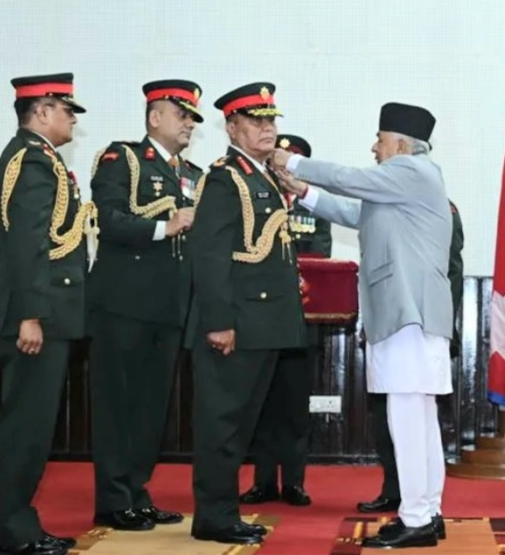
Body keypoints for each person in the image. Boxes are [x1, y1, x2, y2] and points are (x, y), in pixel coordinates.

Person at [272, 102, 452, 549]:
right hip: (411, 314)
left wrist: (291, 161)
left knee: (406, 416)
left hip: (408, 313)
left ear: (402, 145)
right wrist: (303, 191)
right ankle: (427, 511)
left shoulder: (413, 171)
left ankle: (416, 517)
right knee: (418, 417)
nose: (374, 148)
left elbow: (349, 179)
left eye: (380, 139)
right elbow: (355, 213)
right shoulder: (403, 186)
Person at [188, 82, 307, 546]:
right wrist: (219, 322)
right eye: (256, 121)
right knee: (222, 425)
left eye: (270, 120)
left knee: (240, 426)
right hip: (237, 323)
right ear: (232, 127)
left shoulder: (262, 176)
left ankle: (222, 513)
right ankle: (215, 517)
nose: (267, 128)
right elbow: (211, 256)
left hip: (264, 324)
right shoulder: (225, 178)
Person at [87, 80, 204, 531]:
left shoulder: (192, 173)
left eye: (193, 118)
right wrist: (164, 227)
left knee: (152, 408)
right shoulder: (124, 159)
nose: (189, 124)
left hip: (169, 307)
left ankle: (136, 491)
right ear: (155, 118)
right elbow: (108, 218)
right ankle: (113, 500)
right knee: (118, 405)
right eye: (182, 115)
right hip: (124, 304)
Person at [0, 73, 96, 555]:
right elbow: (27, 243)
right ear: (43, 111)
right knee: (25, 433)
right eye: (67, 110)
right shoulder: (31, 160)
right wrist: (30, 315)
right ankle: (15, 534)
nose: (72, 119)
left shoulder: (43, 159)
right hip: (37, 319)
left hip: (51, 313)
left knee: (34, 433)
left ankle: (21, 528)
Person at [239, 134, 331, 508]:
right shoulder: (254, 200)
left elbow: (319, 256)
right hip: (261, 320)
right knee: (261, 403)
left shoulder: (314, 206)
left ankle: (293, 482)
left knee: (294, 408)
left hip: (300, 323)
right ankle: (263, 481)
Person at [357, 198, 464, 516]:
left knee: (413, 421)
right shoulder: (389, 204)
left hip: (419, 328)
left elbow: (450, 274)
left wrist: (440, 324)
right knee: (391, 420)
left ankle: (417, 511)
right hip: (392, 327)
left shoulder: (437, 208)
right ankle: (404, 496)